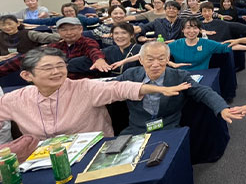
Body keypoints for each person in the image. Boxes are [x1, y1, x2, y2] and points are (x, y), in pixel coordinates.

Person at [0, 47, 190, 140]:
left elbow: (121, 88)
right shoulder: (15, 99)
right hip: (41, 162)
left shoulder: (86, 87)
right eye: (48, 68)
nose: (56, 72)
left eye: (60, 66)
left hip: (93, 152)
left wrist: (158, 88)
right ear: (26, 75)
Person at [115, 41, 244, 132]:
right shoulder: (130, 75)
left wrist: (222, 108)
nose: (155, 64)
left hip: (168, 127)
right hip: (137, 128)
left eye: (161, 59)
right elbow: (108, 87)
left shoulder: (178, 76)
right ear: (141, 60)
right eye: (150, 59)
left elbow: (203, 91)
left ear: (167, 59)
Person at [0, 17, 112, 77]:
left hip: (83, 82)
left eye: (72, 29)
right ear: (58, 32)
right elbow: (26, 57)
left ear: (80, 29)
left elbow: (93, 50)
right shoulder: (55, 46)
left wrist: (99, 60)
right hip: (58, 83)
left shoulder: (87, 42)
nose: (69, 33)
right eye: (64, 30)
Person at [167, 18, 246, 70]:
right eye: (188, 28)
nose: (191, 31)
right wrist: (171, 63)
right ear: (183, 30)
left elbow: (228, 46)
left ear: (200, 30)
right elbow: (157, 55)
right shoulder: (175, 44)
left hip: (202, 76)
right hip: (180, 77)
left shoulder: (206, 43)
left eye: (195, 28)